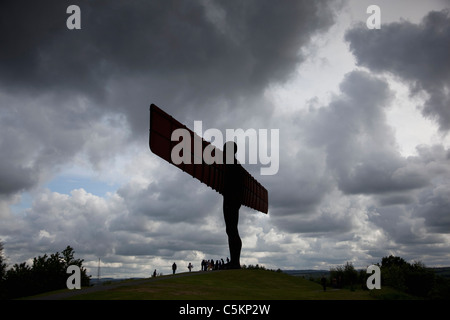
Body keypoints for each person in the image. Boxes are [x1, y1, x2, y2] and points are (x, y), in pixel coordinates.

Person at [222, 141, 244, 269]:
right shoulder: (237, 165)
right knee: (232, 230)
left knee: (232, 230)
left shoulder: (231, 165)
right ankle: (234, 260)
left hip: (230, 199)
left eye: (225, 150)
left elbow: (229, 184)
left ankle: (235, 262)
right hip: (234, 200)